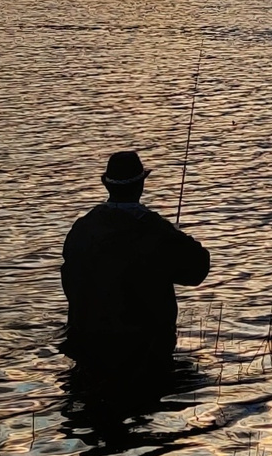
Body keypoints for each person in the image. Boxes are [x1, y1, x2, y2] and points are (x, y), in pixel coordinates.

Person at [61, 149, 209, 381]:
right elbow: (198, 269)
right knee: (198, 380)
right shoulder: (154, 229)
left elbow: (68, 279)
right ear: (140, 186)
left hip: (86, 337)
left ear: (107, 186)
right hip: (143, 346)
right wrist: (173, 239)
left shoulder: (81, 228)